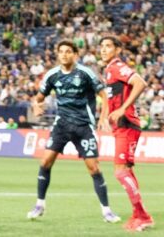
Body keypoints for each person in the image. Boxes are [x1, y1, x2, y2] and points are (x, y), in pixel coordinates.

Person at [27, 41, 120, 223]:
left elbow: (103, 94)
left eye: (68, 52)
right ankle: (39, 204)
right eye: (61, 51)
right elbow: (38, 98)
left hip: (83, 126)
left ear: (75, 54)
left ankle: (107, 211)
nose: (64, 55)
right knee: (45, 162)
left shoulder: (85, 73)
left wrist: (103, 116)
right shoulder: (52, 75)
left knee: (94, 168)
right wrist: (36, 106)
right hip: (61, 125)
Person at [100, 36, 155, 231]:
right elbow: (111, 97)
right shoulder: (108, 70)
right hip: (122, 125)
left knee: (120, 171)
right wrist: (104, 116)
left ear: (117, 49)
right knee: (127, 171)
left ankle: (143, 215)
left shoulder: (116, 66)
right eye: (102, 46)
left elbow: (140, 82)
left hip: (127, 124)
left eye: (108, 46)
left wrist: (123, 108)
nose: (104, 50)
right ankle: (138, 213)